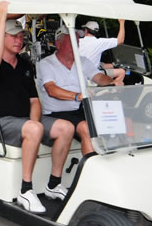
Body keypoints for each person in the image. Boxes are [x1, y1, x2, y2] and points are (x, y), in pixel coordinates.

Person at [0, 1, 75, 213]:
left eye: (21, 36)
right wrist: (1, 18)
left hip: (24, 122)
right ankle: (26, 189)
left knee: (66, 127)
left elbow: (34, 100)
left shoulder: (24, 64)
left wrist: (33, 120)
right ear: (1, 37)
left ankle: (53, 184)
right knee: (35, 128)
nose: (19, 39)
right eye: (13, 35)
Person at [37, 27, 114, 156]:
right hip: (57, 113)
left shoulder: (82, 61)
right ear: (58, 44)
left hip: (80, 110)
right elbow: (51, 90)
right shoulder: (46, 64)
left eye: (77, 43)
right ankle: (91, 170)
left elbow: (99, 77)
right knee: (86, 128)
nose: (75, 46)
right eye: (71, 42)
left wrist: (112, 83)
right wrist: (77, 96)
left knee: (117, 122)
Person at [80, 20, 126, 86]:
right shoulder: (100, 42)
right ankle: (112, 90)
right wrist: (122, 22)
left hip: (81, 72)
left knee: (109, 65)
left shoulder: (78, 41)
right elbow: (120, 40)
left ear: (86, 31)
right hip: (93, 75)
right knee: (122, 72)